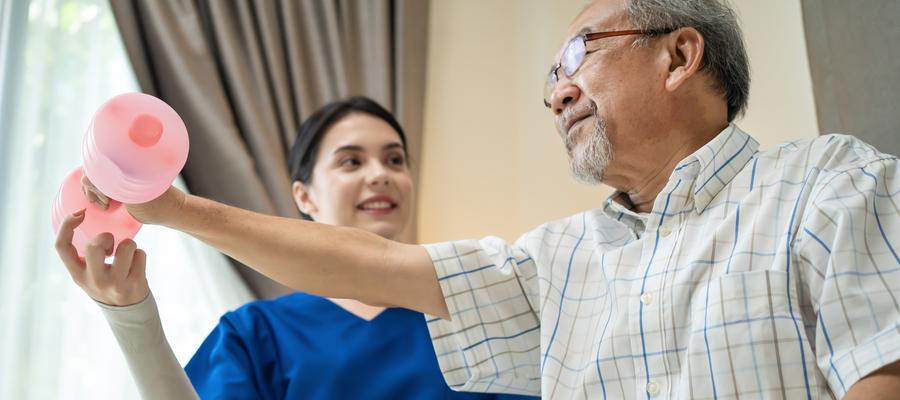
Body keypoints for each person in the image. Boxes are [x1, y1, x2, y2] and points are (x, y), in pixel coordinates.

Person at [59, 0, 900, 398]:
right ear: (300, 196)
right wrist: (172, 209)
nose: (556, 94)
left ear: (679, 56)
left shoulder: (829, 184)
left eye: (576, 56)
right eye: (348, 162)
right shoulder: (556, 264)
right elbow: (381, 268)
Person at [57, 97, 536, 399]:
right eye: (351, 161)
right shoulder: (256, 334)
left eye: (394, 159)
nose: (381, 173)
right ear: (303, 196)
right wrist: (130, 315)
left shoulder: (473, 310)